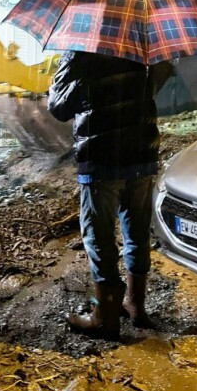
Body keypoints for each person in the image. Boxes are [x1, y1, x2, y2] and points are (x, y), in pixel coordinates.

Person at [48, 51, 174, 340]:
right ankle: (136, 306)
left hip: (102, 160)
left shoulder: (81, 53)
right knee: (138, 233)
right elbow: (161, 77)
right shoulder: (145, 48)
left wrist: (62, 70)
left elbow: (59, 107)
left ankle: (105, 317)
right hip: (142, 157)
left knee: (99, 235)